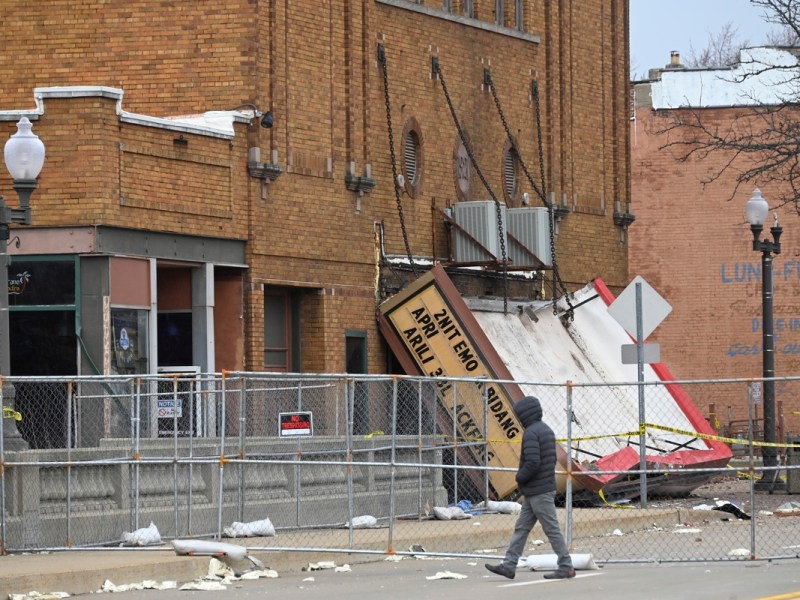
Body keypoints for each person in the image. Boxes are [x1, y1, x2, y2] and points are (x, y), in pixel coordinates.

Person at [485, 395, 575, 580]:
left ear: (525, 415)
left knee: (551, 529)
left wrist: (520, 477)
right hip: (537, 490)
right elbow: (547, 461)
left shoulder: (532, 433)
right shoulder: (547, 430)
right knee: (521, 528)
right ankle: (509, 566)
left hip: (538, 491)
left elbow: (533, 462)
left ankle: (566, 566)